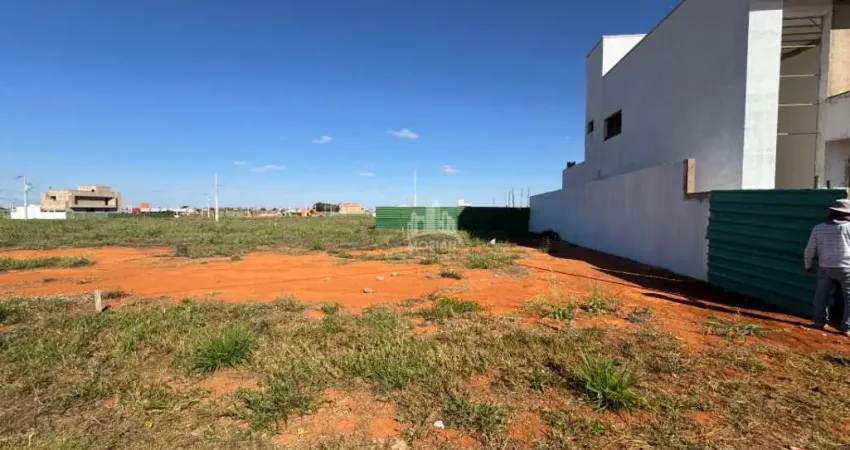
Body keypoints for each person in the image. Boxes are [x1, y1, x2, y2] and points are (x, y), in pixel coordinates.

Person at [805, 198, 850, 335]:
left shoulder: (819, 228)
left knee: (821, 295)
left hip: (825, 267)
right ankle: (847, 327)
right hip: (847, 268)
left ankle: (819, 322)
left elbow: (810, 249)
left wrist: (808, 264)